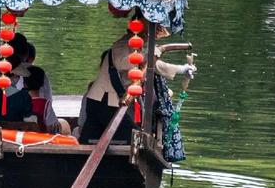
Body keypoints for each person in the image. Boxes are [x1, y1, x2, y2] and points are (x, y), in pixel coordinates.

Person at [77, 14, 195, 144]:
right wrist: (149, 54)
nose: (149, 37)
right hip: (103, 101)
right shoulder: (122, 44)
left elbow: (153, 65)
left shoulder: (138, 48)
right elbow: (123, 63)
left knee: (92, 137)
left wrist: (182, 69)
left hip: (110, 102)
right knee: (133, 138)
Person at [25, 64, 71, 135]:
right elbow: (50, 127)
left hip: (23, 135)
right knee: (64, 124)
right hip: (40, 138)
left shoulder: (20, 101)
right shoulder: (45, 104)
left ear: (24, 84)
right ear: (43, 84)